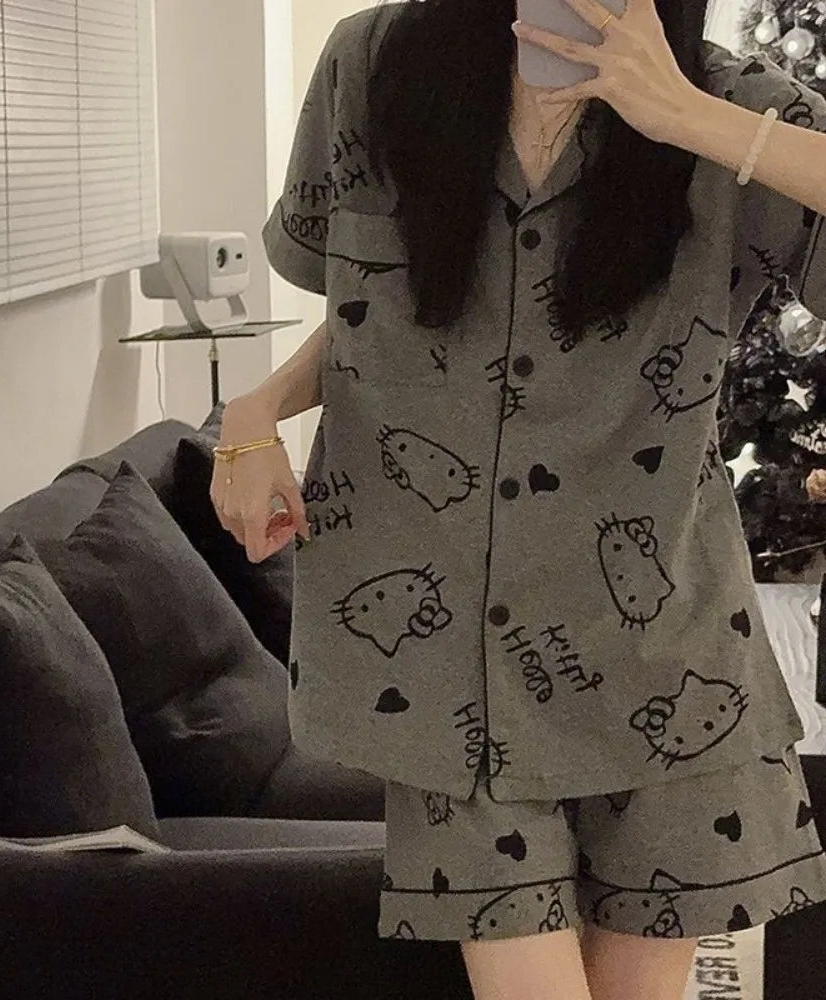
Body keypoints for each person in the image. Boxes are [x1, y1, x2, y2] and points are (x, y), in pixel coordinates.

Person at [209, 1, 826, 997]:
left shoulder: (726, 101)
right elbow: (384, 312)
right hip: (453, 672)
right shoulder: (375, 64)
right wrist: (253, 410)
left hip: (665, 653)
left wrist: (681, 115)